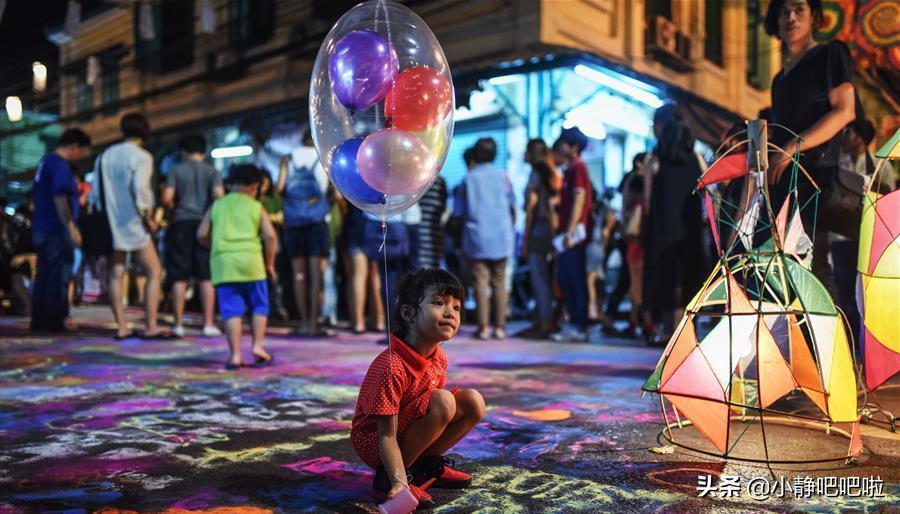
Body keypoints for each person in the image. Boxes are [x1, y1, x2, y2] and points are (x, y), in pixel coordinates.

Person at [350, 268, 484, 501]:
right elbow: (386, 436)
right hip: (375, 441)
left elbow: (429, 414)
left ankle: (422, 465)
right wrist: (397, 479)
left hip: (405, 426)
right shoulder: (392, 365)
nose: (450, 313)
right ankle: (391, 478)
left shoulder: (439, 357)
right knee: (443, 401)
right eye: (439, 302)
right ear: (408, 313)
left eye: (456, 307)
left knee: (473, 401)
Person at [765, 0, 857, 294]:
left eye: (798, 9)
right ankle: (793, 339)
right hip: (784, 184)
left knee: (814, 268)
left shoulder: (830, 54)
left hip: (817, 178)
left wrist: (792, 147)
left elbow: (845, 111)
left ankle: (828, 340)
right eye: (783, 11)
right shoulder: (779, 80)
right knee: (784, 270)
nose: (790, 17)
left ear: (814, 16)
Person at [89, 113, 168, 339]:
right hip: (132, 222)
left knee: (117, 273)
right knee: (154, 271)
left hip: (110, 223)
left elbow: (95, 194)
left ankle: (122, 327)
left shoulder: (104, 156)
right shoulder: (142, 156)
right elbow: (140, 189)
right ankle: (151, 325)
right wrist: (148, 216)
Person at [197, 164, 277, 369]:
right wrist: (269, 263)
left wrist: (215, 245)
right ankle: (258, 347)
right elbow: (270, 236)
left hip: (224, 264)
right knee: (259, 305)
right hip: (252, 263)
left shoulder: (217, 205)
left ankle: (235, 355)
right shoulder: (255, 206)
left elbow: (201, 234)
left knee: (231, 310)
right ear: (254, 187)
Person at [643, 104, 708, 343]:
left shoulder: (654, 160)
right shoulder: (697, 158)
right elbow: (706, 193)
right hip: (690, 230)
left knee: (666, 279)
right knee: (689, 277)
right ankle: (688, 332)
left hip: (663, 230)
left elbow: (648, 200)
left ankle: (670, 332)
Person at [161, 135, 224, 337]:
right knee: (206, 275)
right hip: (204, 224)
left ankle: (178, 324)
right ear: (204, 152)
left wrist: (172, 207)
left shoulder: (176, 170)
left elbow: (167, 198)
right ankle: (207, 323)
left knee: (179, 275)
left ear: (183, 151)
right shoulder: (212, 171)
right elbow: (219, 196)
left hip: (181, 223)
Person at [30, 128, 91, 331]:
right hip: (55, 227)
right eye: (81, 152)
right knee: (58, 275)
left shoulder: (45, 161)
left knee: (44, 274)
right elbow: (60, 197)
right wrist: (70, 226)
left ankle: (40, 320)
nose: (80, 157)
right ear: (74, 147)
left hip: (41, 225)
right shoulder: (59, 165)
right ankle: (56, 321)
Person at [454, 138, 515, 340]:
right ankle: (500, 327)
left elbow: (459, 211)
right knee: (499, 281)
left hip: (477, 235)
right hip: (501, 236)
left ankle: (483, 328)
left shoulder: (468, 179)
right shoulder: (503, 176)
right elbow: (512, 205)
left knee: (480, 281)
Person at [278, 129, 333, 337]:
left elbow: (280, 187)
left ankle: (302, 322)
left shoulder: (288, 157)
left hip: (294, 222)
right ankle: (314, 323)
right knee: (316, 274)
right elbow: (327, 187)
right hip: (317, 222)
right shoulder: (322, 155)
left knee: (299, 275)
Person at [551, 127, 593, 343]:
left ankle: (578, 325)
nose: (560, 147)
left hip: (574, 235)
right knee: (567, 279)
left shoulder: (578, 167)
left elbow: (579, 198)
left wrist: (569, 230)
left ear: (574, 147)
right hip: (570, 234)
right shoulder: (571, 168)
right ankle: (575, 323)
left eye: (564, 143)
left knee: (574, 279)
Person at [521, 138, 560, 337]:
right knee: (550, 278)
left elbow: (531, 208)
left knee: (539, 278)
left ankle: (544, 322)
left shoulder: (536, 173)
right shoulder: (554, 171)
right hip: (554, 230)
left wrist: (525, 239)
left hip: (539, 229)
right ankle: (547, 320)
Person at [417, 176, 448, 269]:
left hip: (421, 230)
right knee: (433, 268)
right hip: (434, 231)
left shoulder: (417, 179)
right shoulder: (440, 181)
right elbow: (443, 206)